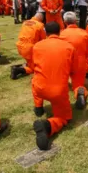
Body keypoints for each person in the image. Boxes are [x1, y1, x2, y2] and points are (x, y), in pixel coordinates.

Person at [31, 22, 76, 150]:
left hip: (39, 89)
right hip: (58, 91)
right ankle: (48, 125)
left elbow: (35, 66)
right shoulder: (69, 47)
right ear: (60, 31)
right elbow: (73, 69)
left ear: (45, 32)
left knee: (34, 79)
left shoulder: (37, 46)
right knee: (64, 117)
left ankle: (38, 106)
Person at [59, 11, 88, 109]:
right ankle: (80, 94)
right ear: (75, 21)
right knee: (78, 85)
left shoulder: (61, 34)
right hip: (80, 62)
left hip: (65, 62)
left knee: (61, 82)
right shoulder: (84, 33)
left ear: (64, 22)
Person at [11, 12, 46, 80]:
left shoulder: (25, 22)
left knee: (31, 61)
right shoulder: (40, 25)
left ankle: (24, 65)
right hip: (29, 48)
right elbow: (43, 40)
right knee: (34, 69)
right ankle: (17, 70)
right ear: (41, 18)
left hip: (20, 46)